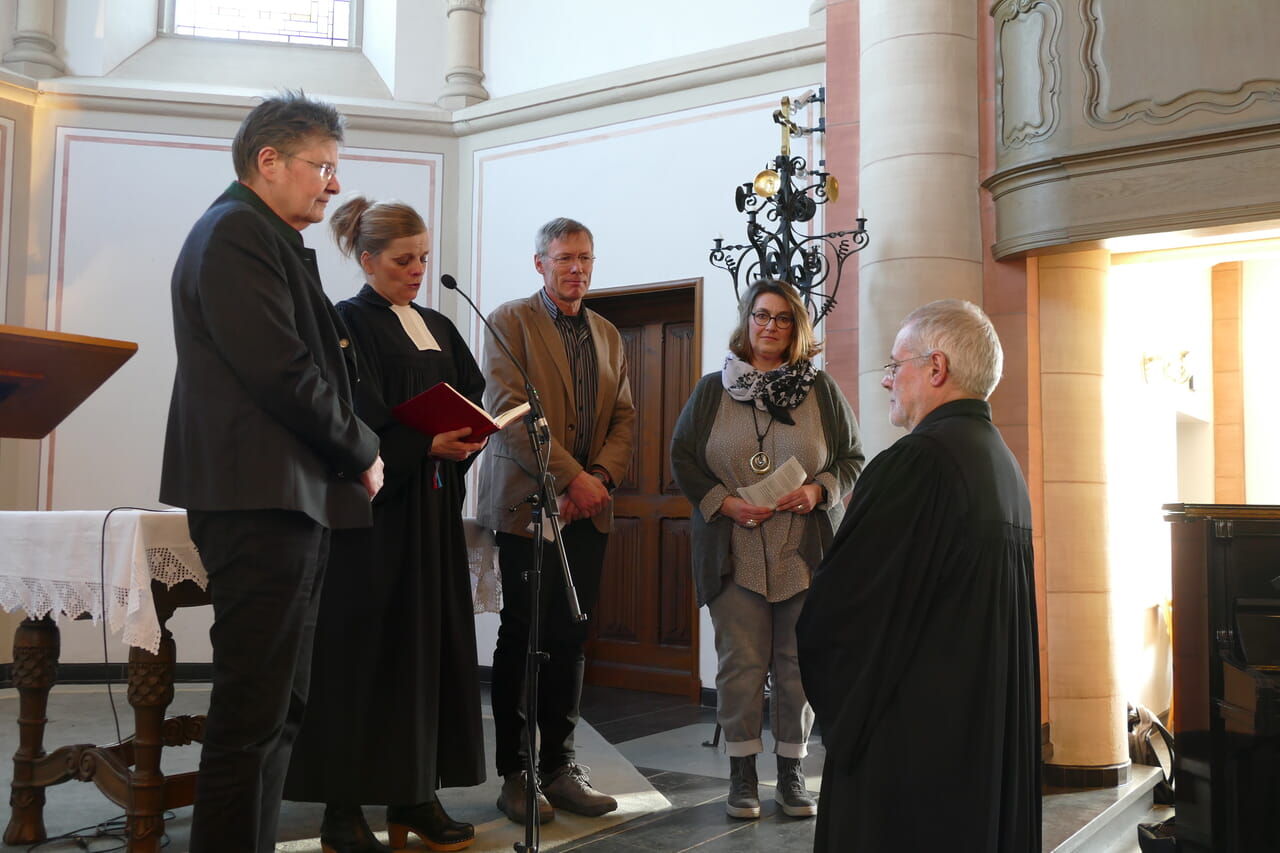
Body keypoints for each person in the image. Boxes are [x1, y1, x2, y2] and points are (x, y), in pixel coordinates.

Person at [159, 91, 384, 853]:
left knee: (280, 711)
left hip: (288, 499)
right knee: (250, 716)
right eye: (321, 167)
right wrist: (363, 447)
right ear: (269, 161)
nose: (331, 184)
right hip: (259, 500)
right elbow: (283, 371)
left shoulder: (262, 236)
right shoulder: (233, 235)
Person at [796, 299, 1041, 852]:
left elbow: (844, 610)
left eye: (894, 365)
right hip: (976, 742)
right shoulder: (1002, 464)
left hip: (910, 753)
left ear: (936, 368)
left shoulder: (919, 462)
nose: (887, 381)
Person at [283, 198, 487, 852]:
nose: (419, 270)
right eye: (404, 260)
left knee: (427, 655)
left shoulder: (434, 323)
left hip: (429, 518)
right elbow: (346, 415)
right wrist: (420, 446)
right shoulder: (343, 323)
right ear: (367, 260)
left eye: (424, 258)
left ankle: (415, 794)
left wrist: (469, 437)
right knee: (362, 659)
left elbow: (469, 391)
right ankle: (342, 810)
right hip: (372, 523)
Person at [670, 279, 864, 820]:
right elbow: (683, 457)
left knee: (797, 662)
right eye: (760, 315)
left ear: (796, 328)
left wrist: (819, 490)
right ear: (745, 320)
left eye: (781, 318)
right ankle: (741, 776)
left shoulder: (821, 391)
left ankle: (793, 771)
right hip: (733, 549)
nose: (769, 326)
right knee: (742, 664)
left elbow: (851, 457)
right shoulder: (713, 389)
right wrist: (723, 503)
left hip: (803, 552)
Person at [476, 217, 636, 825]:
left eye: (586, 258)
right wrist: (571, 478)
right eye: (565, 257)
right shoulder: (510, 320)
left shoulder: (608, 333)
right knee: (524, 633)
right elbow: (508, 409)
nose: (577, 269)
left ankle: (562, 766)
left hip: (588, 508)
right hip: (525, 505)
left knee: (571, 635)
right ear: (539, 263)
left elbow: (624, 417)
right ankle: (517, 774)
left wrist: (600, 481)